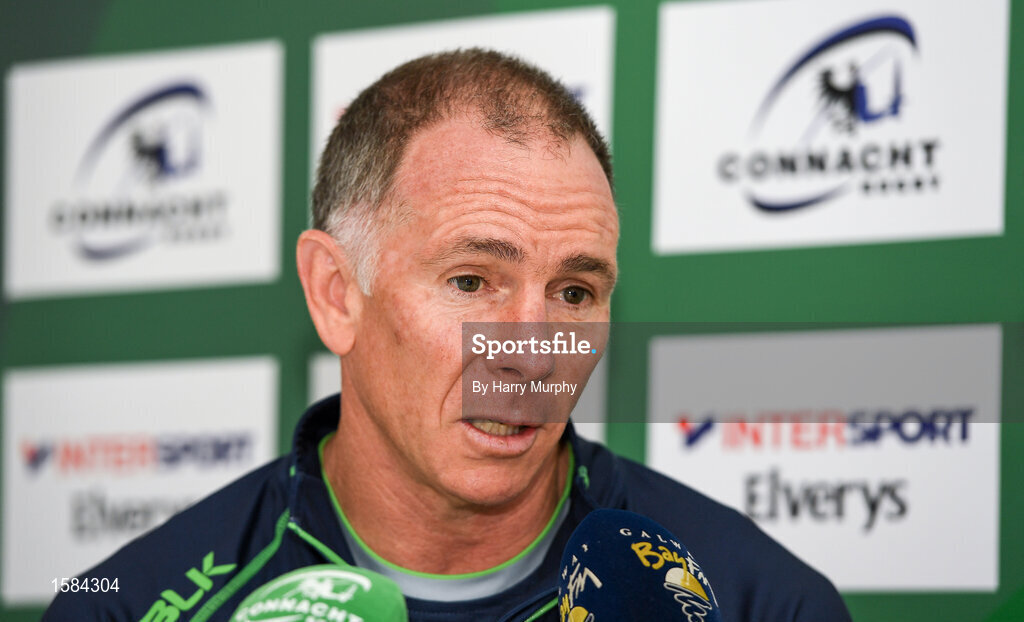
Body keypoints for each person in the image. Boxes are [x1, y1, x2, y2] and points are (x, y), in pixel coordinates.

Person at [44, 49, 851, 621]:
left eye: (575, 291)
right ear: (336, 295)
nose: (535, 353)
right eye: (471, 282)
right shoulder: (124, 609)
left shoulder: (760, 601)